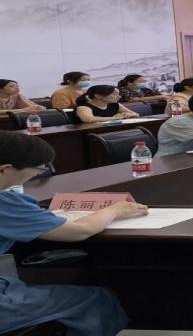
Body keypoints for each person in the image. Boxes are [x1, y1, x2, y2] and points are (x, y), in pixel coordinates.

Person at [0, 132, 147, 335]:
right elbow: (81, 231)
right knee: (95, 299)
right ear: (5, 168)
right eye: (38, 170)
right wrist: (114, 210)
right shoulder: (6, 203)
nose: (35, 176)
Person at [73, 85, 139, 123]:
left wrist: (130, 114)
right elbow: (88, 119)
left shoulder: (115, 104)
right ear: (98, 96)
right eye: (115, 94)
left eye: (118, 94)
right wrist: (114, 118)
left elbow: (136, 114)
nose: (119, 97)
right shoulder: (83, 107)